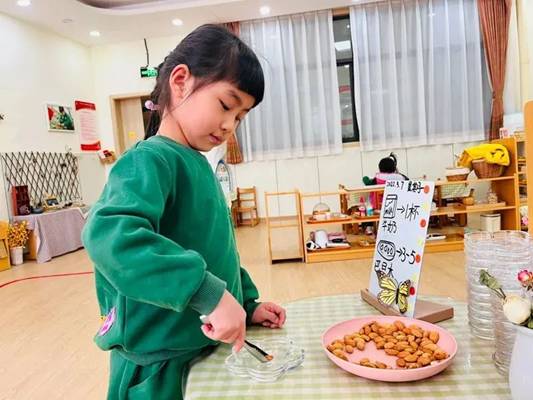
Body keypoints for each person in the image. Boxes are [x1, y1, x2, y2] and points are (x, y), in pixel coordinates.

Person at [82, 24, 286, 400]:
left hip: (199, 346)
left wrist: (245, 304)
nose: (229, 125)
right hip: (158, 363)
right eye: (226, 105)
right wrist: (206, 293)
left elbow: (213, 249)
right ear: (180, 81)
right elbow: (110, 235)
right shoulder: (150, 159)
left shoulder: (196, 163)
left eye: (240, 117)